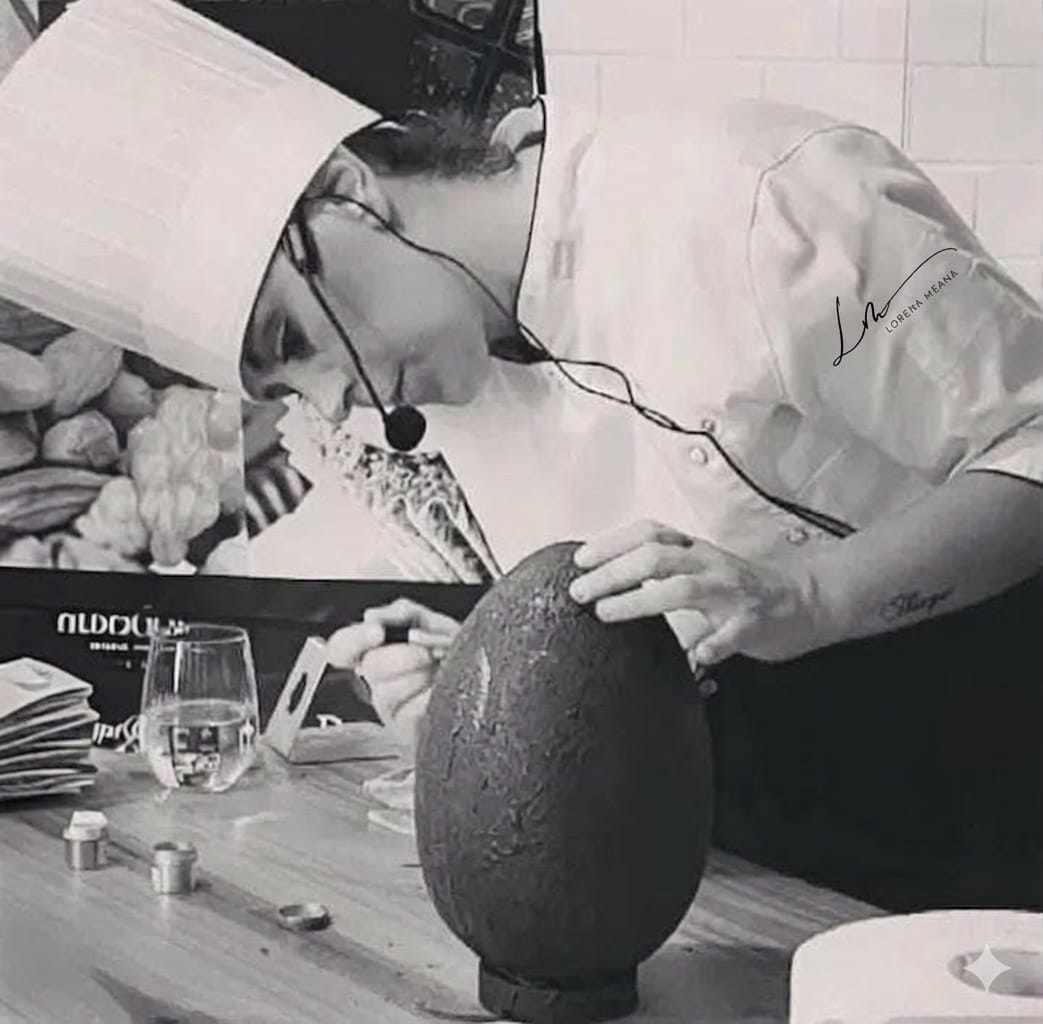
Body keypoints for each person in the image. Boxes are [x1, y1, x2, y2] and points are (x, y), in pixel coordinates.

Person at [0, 0, 1039, 909]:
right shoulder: (453, 382)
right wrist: (498, 678)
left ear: (349, 191)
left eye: (293, 337)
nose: (334, 400)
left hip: (992, 764)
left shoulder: (752, 196)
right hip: (746, 849)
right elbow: (675, 626)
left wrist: (809, 595)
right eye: (283, 391)